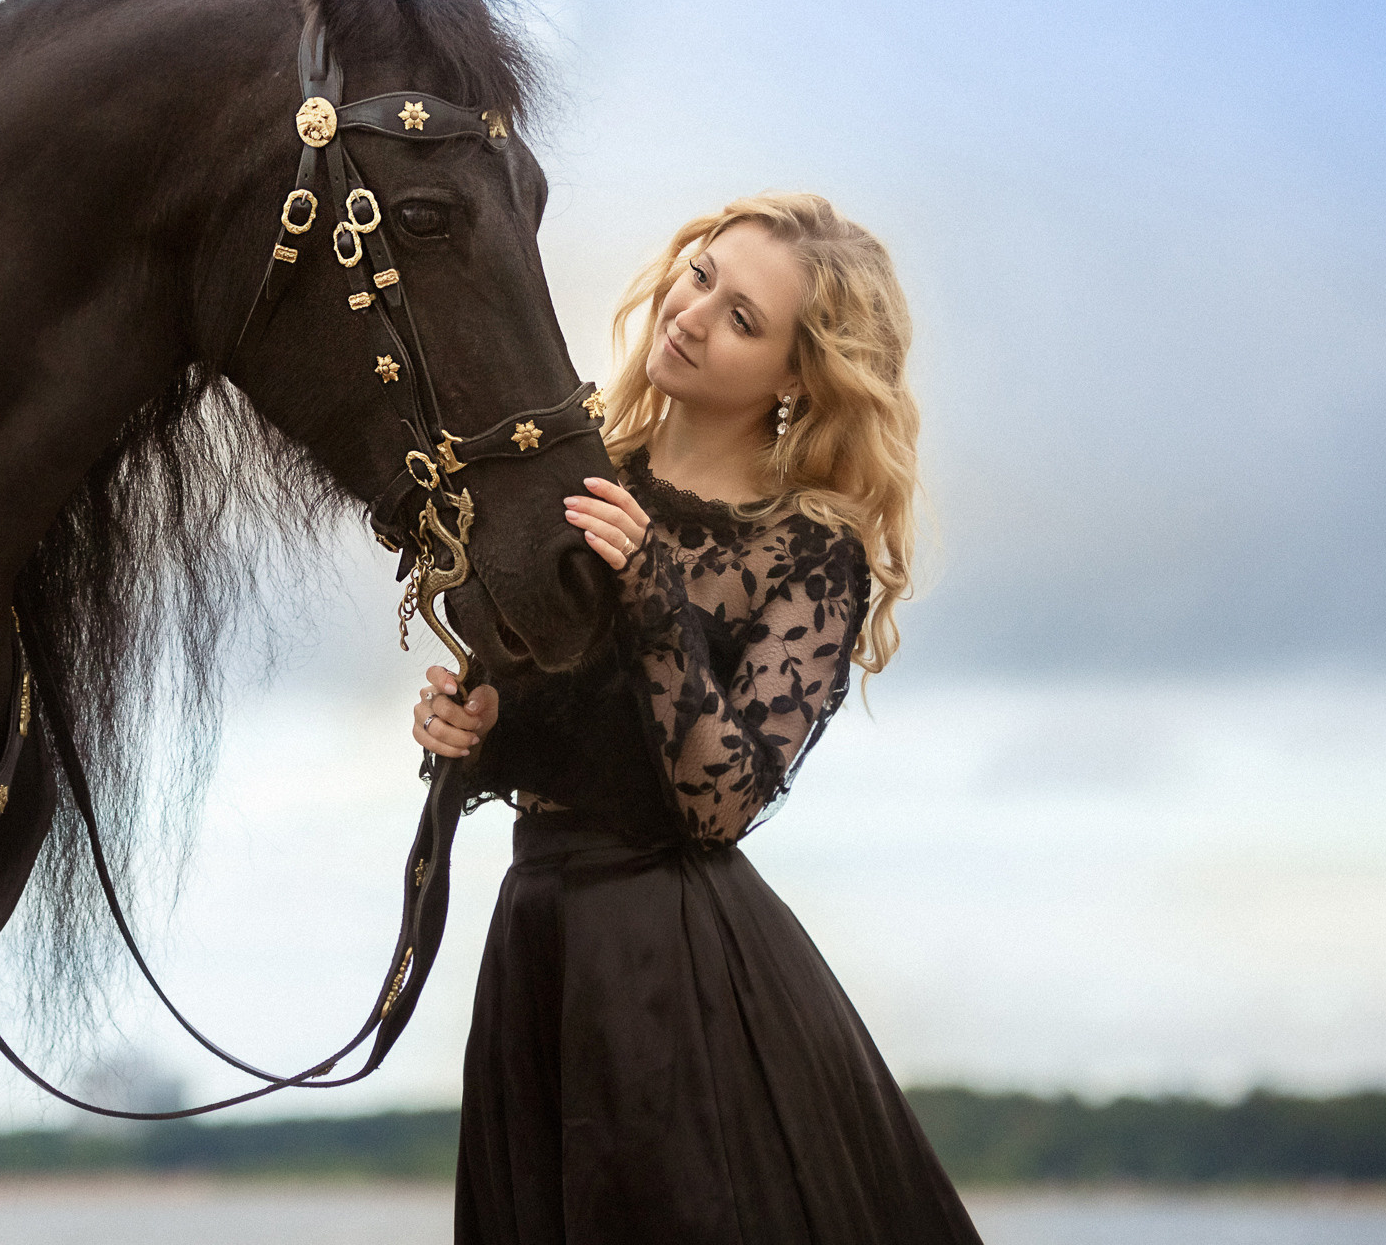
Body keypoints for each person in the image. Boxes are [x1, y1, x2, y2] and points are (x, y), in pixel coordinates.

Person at [411, 193, 982, 1243]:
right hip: (534, 933)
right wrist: (475, 722)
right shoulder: (574, 479)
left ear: (797, 378)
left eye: (743, 318)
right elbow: (549, 708)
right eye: (703, 273)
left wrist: (653, 589)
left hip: (673, 969)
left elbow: (719, 800)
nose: (694, 310)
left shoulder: (811, 553)